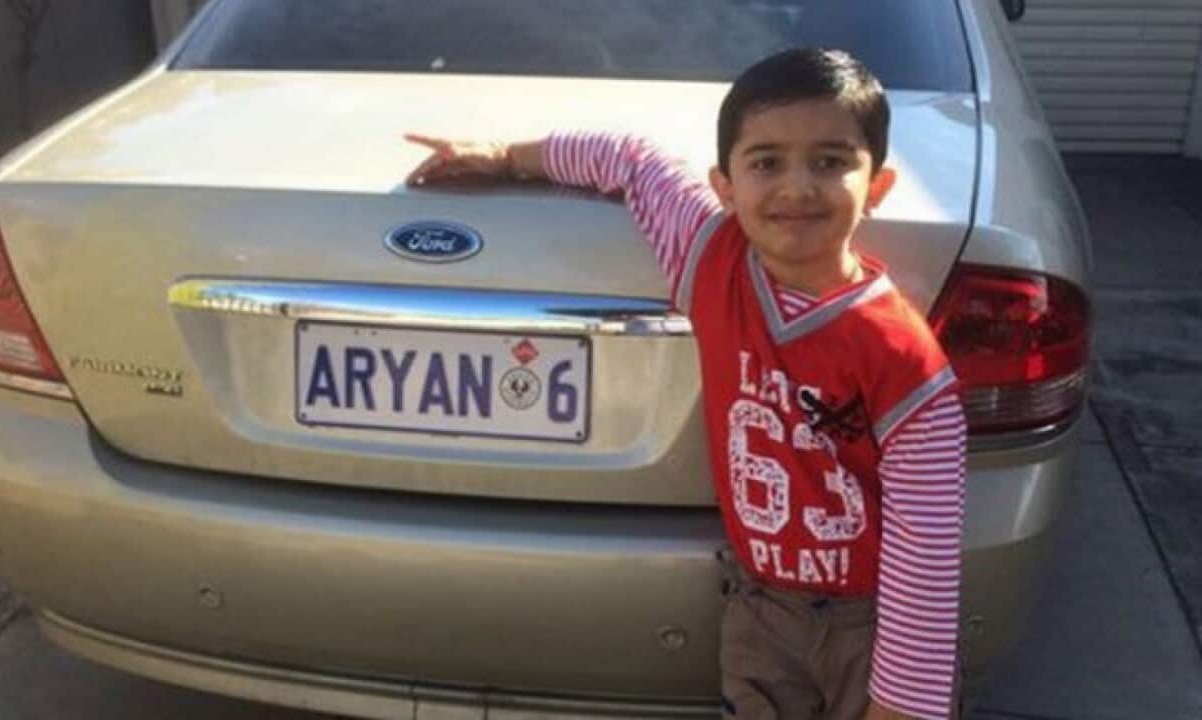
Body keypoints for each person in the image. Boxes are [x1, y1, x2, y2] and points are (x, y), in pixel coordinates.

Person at [404, 48, 966, 720]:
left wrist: (902, 704)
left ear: (877, 185)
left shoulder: (905, 359)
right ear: (724, 186)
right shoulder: (708, 257)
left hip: (869, 627)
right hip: (760, 610)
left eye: (829, 160)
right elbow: (631, 160)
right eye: (766, 162)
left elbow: (925, 557)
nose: (796, 187)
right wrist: (504, 155)